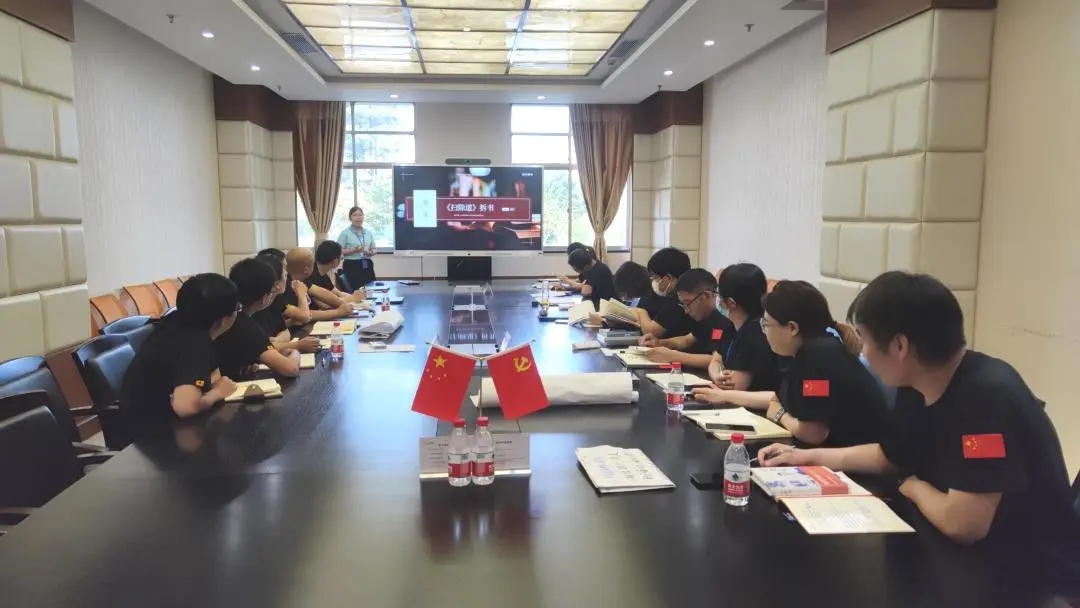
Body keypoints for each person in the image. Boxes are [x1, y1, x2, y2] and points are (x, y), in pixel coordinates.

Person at [758, 272, 1080, 594]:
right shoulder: (917, 384)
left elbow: (962, 524)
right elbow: (889, 455)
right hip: (957, 556)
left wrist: (911, 485)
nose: (862, 353)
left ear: (900, 346)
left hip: (1028, 578)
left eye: (865, 340)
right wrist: (804, 457)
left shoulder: (987, 398)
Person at [695, 280, 887, 447]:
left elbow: (814, 433)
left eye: (767, 325)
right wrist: (724, 395)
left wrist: (780, 415)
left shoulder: (819, 358)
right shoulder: (806, 351)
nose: (765, 332)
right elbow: (776, 398)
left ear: (793, 328)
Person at [118, 273, 241, 436]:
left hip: (144, 423)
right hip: (151, 436)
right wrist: (218, 392)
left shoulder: (176, 323)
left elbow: (211, 377)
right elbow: (186, 407)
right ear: (224, 319)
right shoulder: (193, 342)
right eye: (237, 309)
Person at [213, 258, 301, 379]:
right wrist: (295, 352)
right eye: (272, 290)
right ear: (265, 298)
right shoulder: (244, 325)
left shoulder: (223, 314)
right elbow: (291, 369)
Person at [705, 263, 780, 392]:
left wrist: (720, 378)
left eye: (719, 295)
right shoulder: (731, 326)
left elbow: (736, 385)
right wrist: (717, 375)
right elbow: (716, 360)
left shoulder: (756, 331)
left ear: (731, 302)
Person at [640, 268, 733, 370]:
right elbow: (685, 341)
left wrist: (673, 356)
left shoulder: (722, 326)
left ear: (706, 296)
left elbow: (717, 360)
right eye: (683, 304)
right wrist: (658, 343)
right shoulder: (701, 321)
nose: (686, 310)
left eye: (687, 303)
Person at [252, 251, 320, 354]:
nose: (287, 273)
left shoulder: (273, 301)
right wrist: (296, 345)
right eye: (284, 269)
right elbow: (261, 348)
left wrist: (277, 341)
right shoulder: (255, 308)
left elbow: (284, 331)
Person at [637, 247, 695, 339]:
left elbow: (651, 331)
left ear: (668, 278)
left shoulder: (678, 299)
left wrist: (641, 312)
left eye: (655, 277)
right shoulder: (679, 294)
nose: (653, 281)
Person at [285, 247, 358, 316]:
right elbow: (306, 315)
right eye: (312, 264)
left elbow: (323, 293)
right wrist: (338, 312)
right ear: (306, 270)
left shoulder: (301, 280)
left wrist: (343, 304)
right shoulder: (285, 287)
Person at [337, 206, 377, 289]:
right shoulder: (345, 233)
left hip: (367, 264)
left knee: (370, 289)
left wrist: (371, 252)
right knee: (355, 290)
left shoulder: (368, 233)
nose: (358, 217)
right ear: (350, 218)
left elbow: (374, 248)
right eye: (355, 215)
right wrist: (354, 250)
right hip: (352, 266)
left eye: (360, 215)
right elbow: (338, 251)